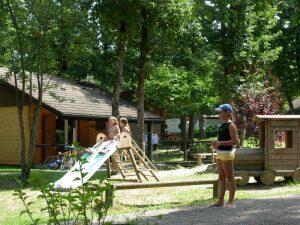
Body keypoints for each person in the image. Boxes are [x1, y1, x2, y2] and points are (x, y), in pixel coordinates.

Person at [211, 104, 238, 208]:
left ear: (227, 113)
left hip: (227, 154)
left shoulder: (231, 125)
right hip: (220, 153)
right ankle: (220, 201)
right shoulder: (222, 125)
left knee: (230, 177)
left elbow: (234, 141)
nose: (219, 114)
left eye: (220, 112)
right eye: (218, 112)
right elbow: (221, 140)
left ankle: (231, 202)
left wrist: (220, 143)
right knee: (221, 177)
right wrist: (216, 143)